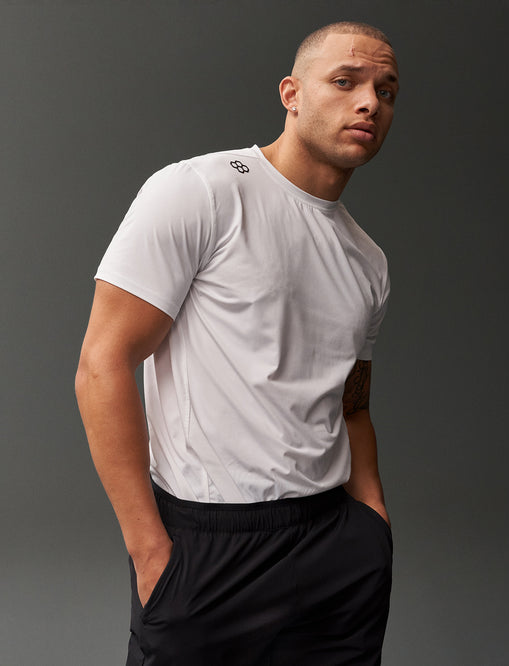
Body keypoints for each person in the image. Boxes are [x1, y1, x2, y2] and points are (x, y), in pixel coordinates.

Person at [76, 20, 399, 666]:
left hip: (334, 548)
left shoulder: (367, 260)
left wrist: (372, 521)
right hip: (205, 547)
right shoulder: (199, 192)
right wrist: (150, 552)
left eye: (386, 90)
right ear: (291, 93)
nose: (369, 102)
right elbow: (101, 364)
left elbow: (351, 402)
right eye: (345, 81)